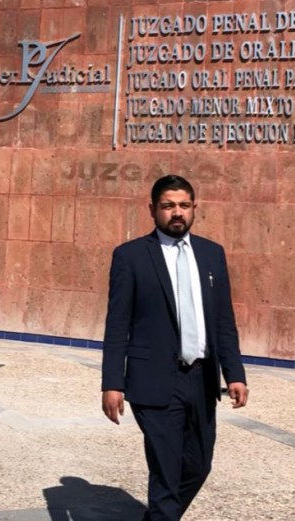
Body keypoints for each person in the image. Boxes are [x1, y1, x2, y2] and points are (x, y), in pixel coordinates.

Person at [101, 175, 249, 521]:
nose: (177, 212)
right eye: (168, 206)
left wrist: (235, 374)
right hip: (153, 381)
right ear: (152, 209)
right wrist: (112, 383)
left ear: (195, 208)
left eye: (183, 205)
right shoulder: (131, 256)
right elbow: (117, 324)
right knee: (166, 473)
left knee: (198, 465)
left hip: (201, 380)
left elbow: (223, 320)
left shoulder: (212, 254)